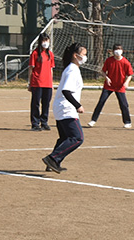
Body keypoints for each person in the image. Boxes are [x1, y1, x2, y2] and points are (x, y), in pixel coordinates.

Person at [42, 43, 87, 174]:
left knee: (64, 138)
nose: (85, 57)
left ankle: (53, 163)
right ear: (75, 55)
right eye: (84, 55)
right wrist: (78, 105)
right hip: (66, 108)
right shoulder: (72, 70)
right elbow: (67, 91)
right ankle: (53, 158)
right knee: (77, 137)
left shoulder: (71, 68)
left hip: (60, 107)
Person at [89, 44, 134, 129]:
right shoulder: (109, 60)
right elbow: (103, 71)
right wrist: (107, 78)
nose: (118, 50)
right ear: (113, 51)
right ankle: (93, 120)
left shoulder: (125, 62)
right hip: (109, 86)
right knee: (101, 102)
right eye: (116, 49)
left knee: (124, 104)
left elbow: (130, 74)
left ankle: (127, 122)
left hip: (120, 86)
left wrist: (126, 82)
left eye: (120, 49)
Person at [28, 33, 54, 131]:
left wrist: (51, 83)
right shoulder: (35, 53)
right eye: (43, 41)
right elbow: (31, 69)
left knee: (46, 103)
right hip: (37, 82)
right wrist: (30, 83)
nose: (45, 43)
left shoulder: (50, 54)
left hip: (47, 83)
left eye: (47, 41)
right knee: (36, 103)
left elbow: (51, 69)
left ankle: (44, 122)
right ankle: (35, 123)